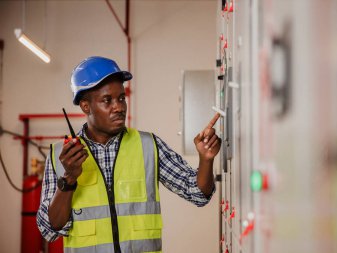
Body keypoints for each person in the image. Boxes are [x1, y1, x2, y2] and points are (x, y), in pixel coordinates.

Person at [37, 56, 221, 253]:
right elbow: (50, 229)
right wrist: (69, 178)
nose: (119, 107)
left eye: (121, 98)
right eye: (107, 100)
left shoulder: (148, 145)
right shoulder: (60, 156)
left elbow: (198, 194)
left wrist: (205, 159)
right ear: (85, 106)